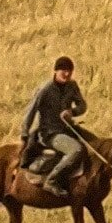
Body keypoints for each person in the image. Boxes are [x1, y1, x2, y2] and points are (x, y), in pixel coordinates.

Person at [21, 57, 91, 189]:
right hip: (50, 133)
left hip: (68, 129)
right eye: (63, 70)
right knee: (76, 149)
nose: (67, 74)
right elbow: (31, 111)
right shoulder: (45, 89)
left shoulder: (72, 86)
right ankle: (52, 180)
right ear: (55, 71)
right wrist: (24, 133)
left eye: (70, 70)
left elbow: (82, 106)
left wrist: (72, 112)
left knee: (96, 144)